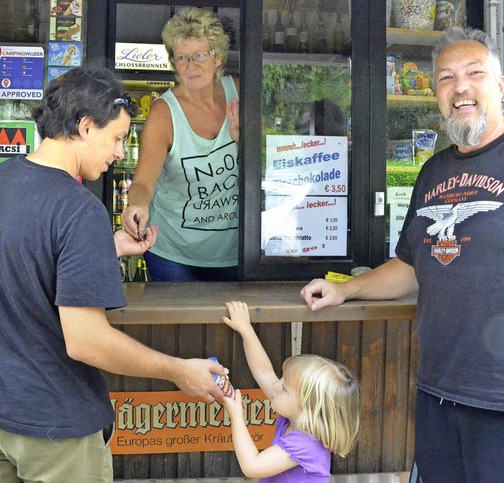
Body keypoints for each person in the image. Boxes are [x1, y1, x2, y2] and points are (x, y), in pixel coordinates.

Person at [300, 26, 504, 482]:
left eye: (474, 73)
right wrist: (346, 290)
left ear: (499, 86)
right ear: (437, 95)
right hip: (440, 399)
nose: (460, 87)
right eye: (445, 78)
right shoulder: (433, 171)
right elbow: (412, 266)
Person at [0, 66, 229, 483]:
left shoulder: (5, 181)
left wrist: (107, 248)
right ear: (86, 126)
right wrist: (179, 370)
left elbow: (24, 258)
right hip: (58, 428)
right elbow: (87, 341)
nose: (120, 152)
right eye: (118, 137)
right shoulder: (79, 209)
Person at [122, 7, 240, 282]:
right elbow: (142, 184)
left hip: (235, 250)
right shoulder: (164, 112)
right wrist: (137, 207)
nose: (191, 65)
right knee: (180, 326)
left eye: (200, 55)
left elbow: (267, 162)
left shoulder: (238, 93)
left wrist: (244, 139)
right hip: (173, 254)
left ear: (218, 57)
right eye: (182, 58)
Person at [220, 301, 361, 482]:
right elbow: (265, 372)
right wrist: (246, 330)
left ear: (306, 407)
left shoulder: (305, 444)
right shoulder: (293, 415)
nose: (276, 385)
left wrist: (236, 416)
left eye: (284, 387)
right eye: (282, 379)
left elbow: (252, 466)